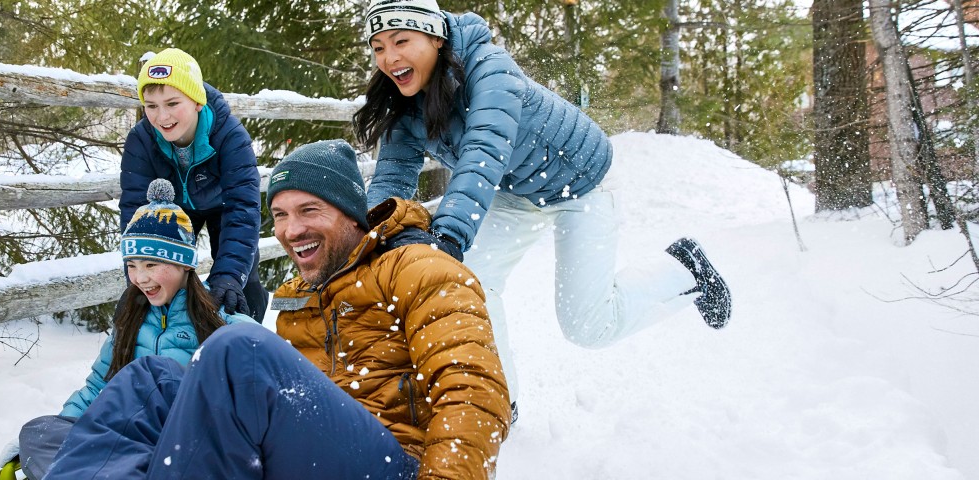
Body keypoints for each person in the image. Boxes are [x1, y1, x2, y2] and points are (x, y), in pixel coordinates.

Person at [42, 140, 510, 480]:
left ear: (352, 214)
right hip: (314, 456)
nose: (291, 230)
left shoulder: (419, 268)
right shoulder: (296, 296)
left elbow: (473, 393)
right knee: (152, 379)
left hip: (395, 463)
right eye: (281, 215)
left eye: (309, 210)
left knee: (236, 349)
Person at [354, 0, 733, 401]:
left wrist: (447, 235)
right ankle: (497, 398)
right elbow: (393, 175)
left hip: (582, 180)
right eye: (378, 47)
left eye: (400, 40)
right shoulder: (405, 102)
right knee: (466, 284)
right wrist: (371, 237)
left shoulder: (488, 66)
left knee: (588, 325)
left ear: (435, 36)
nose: (389, 57)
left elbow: (485, 149)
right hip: (516, 190)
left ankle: (686, 269)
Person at [0, 179, 255, 480]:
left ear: (184, 264)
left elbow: (257, 398)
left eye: (152, 264)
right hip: (124, 441)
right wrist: (66, 427)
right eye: (132, 265)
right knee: (38, 432)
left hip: (184, 448)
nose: (140, 278)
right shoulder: (131, 318)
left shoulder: (221, 321)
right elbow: (97, 388)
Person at [120, 47, 269, 321]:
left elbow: (242, 208)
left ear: (197, 101)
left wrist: (229, 276)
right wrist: (138, 281)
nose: (162, 117)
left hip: (223, 207)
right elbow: (135, 210)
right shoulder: (141, 140)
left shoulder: (230, 136)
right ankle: (171, 335)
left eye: (173, 103)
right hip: (170, 207)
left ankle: (249, 332)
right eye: (151, 106)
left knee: (242, 276)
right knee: (165, 274)